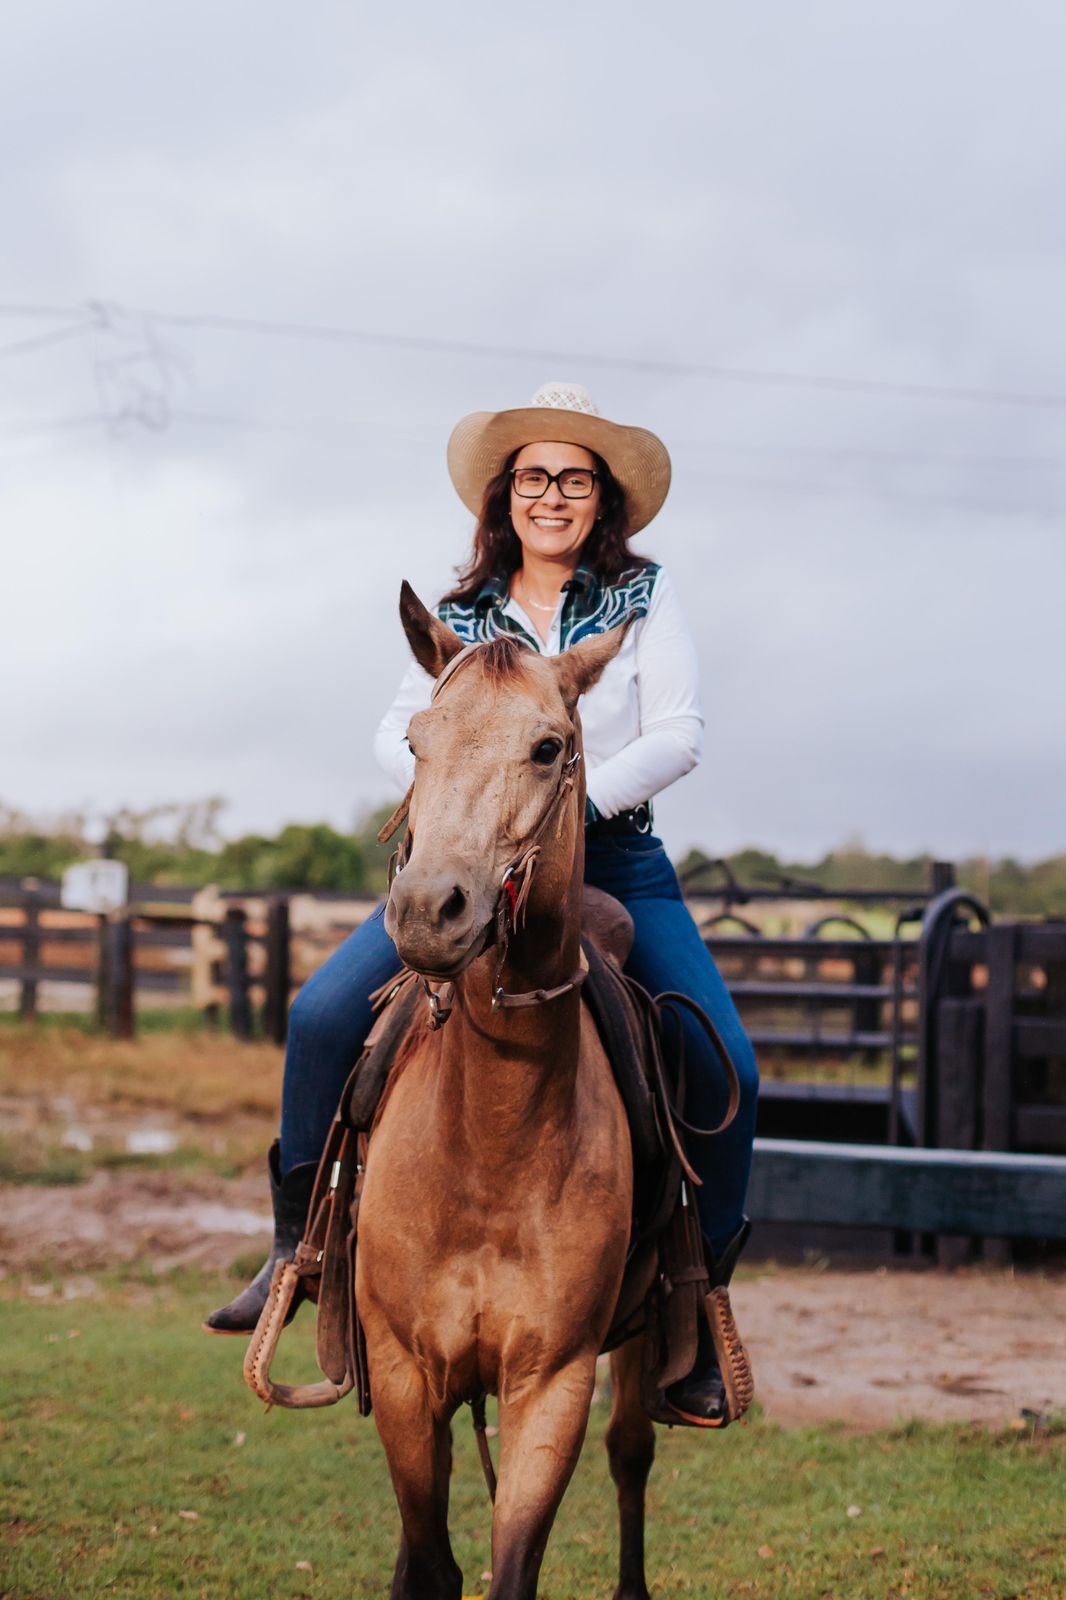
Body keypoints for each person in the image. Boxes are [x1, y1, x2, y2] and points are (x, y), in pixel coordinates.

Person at [205, 382, 760, 1427]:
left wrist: (564, 803)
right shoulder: (456, 619)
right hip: (470, 858)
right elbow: (396, 730)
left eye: (575, 480)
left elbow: (677, 733)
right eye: (534, 477)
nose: (553, 495)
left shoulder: (644, 597)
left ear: (603, 500)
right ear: (505, 496)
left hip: (612, 858)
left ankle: (698, 1303)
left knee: (725, 1058)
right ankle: (298, 1253)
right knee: (321, 1016)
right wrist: (455, 795)